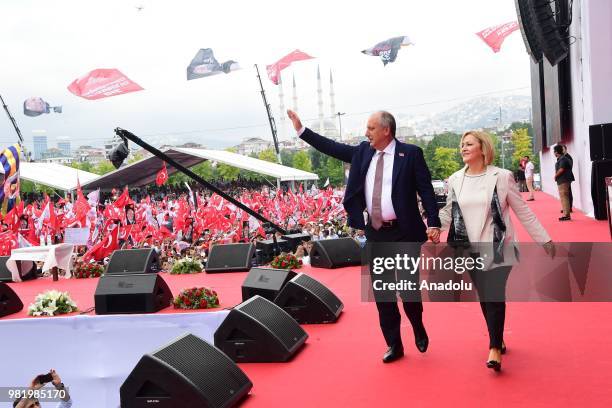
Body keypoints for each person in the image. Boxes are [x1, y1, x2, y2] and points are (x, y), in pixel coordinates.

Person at [287, 108, 441, 363]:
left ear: (386, 130)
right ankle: (394, 344)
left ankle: (417, 324)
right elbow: (331, 147)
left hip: (405, 234)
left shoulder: (410, 154)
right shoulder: (362, 152)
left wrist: (433, 222)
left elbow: (426, 190)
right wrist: (302, 131)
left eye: (370, 128)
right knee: (383, 292)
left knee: (407, 290)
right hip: (376, 233)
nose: (366, 132)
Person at [438, 130, 555, 372]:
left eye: (469, 144)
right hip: (467, 248)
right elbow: (447, 213)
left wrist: (544, 239)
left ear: (483, 148)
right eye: (462, 145)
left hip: (498, 246)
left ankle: (493, 347)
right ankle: (497, 335)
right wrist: (430, 229)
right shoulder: (455, 179)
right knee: (485, 295)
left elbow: (523, 210)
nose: (463, 148)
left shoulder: (502, 177)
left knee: (493, 292)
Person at [554, 144, 574, 221]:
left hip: (564, 180)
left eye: (555, 152)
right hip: (563, 180)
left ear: (557, 152)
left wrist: (555, 176)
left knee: (564, 197)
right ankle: (566, 213)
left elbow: (561, 169)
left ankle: (566, 215)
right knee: (564, 197)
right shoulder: (562, 158)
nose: (554, 153)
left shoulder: (563, 159)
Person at [561, 145, 574, 212]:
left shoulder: (568, 157)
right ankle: (566, 207)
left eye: (563, 149)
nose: (562, 151)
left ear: (566, 149)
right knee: (564, 193)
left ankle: (569, 208)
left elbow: (569, 167)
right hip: (562, 178)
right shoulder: (561, 157)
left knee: (568, 192)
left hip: (567, 177)